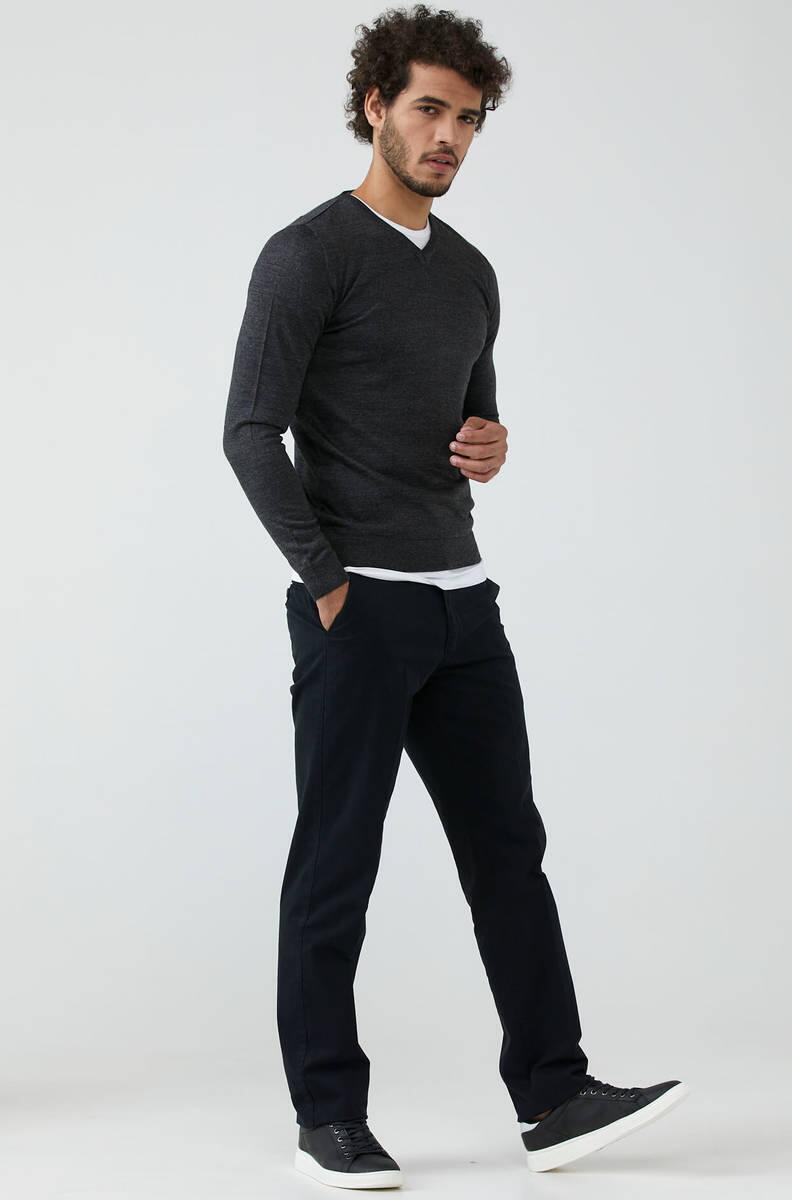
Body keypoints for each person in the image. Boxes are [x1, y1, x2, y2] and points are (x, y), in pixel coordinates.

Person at [222, 5, 688, 1187]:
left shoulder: (471, 272)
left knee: (505, 852)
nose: (447, 137)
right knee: (337, 863)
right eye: (427, 109)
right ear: (375, 105)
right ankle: (328, 1116)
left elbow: (472, 420)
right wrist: (325, 582)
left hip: (462, 601)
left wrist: (490, 443)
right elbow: (248, 433)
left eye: (468, 119)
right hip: (358, 607)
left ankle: (554, 1094)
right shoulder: (308, 254)